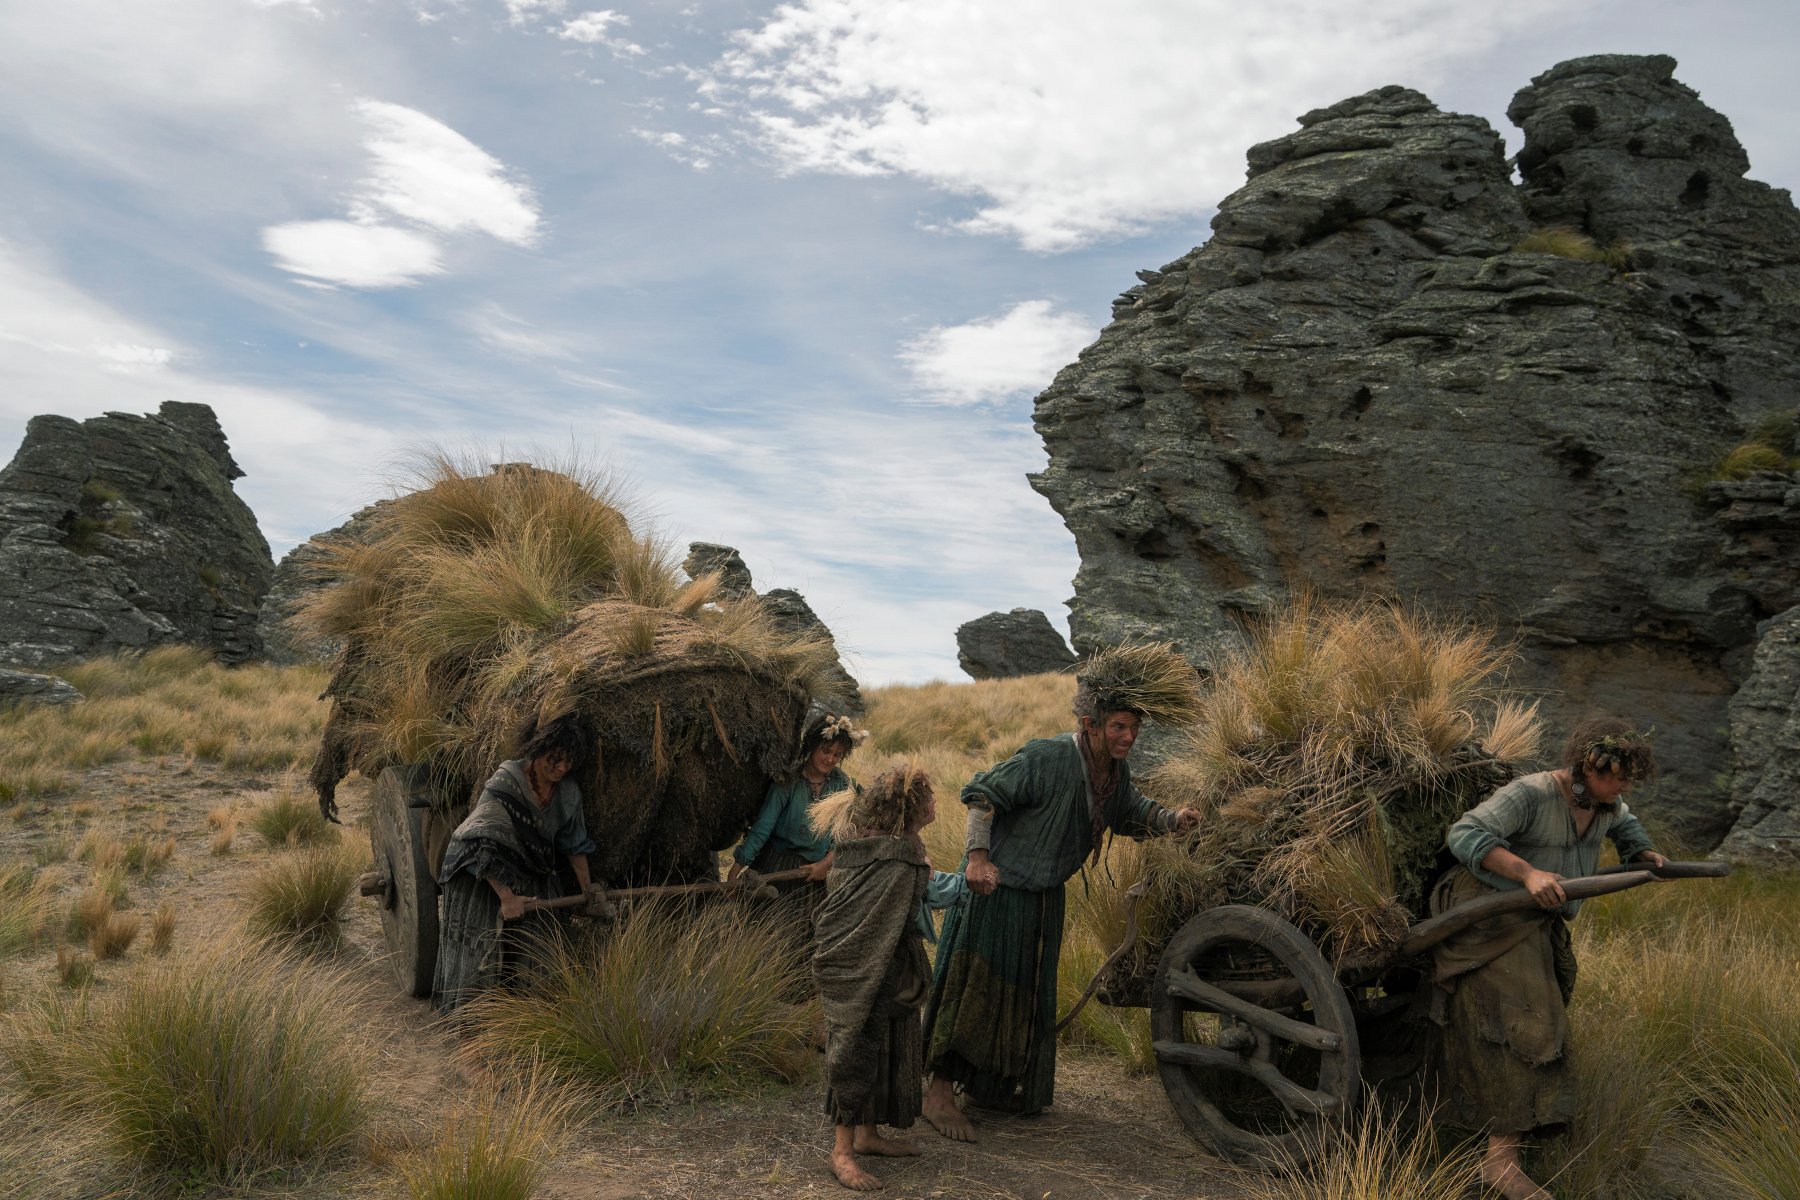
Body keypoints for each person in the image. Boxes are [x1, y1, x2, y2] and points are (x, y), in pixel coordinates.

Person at [919, 659, 1201, 1141]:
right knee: (976, 991)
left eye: (1134, 728)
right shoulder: (1046, 757)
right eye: (1118, 726)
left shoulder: (1114, 773)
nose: (1128, 737)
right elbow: (982, 795)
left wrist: (1173, 820)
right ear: (1089, 725)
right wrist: (977, 858)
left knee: (1024, 998)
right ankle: (937, 1097)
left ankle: (990, 1087)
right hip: (997, 895)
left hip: (1044, 902)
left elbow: (1131, 811)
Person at [1432, 717, 1668, 1200]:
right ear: (1588, 765)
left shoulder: (1604, 803)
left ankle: (1501, 1137)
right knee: (1529, 1024)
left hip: (1535, 919)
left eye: (1628, 778)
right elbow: (1465, 835)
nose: (1623, 787)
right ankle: (1499, 1163)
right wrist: (1527, 874)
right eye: (1617, 776)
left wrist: (1640, 849)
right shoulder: (1533, 793)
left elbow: (1625, 821)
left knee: (1546, 1011)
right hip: (1484, 913)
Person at [811, 764, 964, 1191]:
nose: (935, 804)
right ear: (908, 808)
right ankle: (841, 1152)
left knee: (887, 1047)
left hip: (891, 964)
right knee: (857, 1047)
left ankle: (867, 1135)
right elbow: (932, 891)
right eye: (927, 799)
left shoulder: (886, 845)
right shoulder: (894, 856)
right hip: (863, 967)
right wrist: (971, 882)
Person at [431, 711, 600, 1013]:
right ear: (537, 751)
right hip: (483, 872)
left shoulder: (569, 793)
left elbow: (574, 844)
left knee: (546, 956)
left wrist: (588, 891)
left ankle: (529, 1016)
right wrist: (506, 897)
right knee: (482, 956)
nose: (561, 768)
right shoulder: (506, 782)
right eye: (555, 759)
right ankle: (472, 1024)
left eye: (569, 761)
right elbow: (480, 843)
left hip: (533, 870)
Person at [727, 710, 866, 972]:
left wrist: (827, 863)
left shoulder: (841, 785)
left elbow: (844, 835)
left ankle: (797, 999)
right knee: (768, 932)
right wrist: (739, 865)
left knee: (807, 938)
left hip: (816, 874)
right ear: (812, 746)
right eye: (825, 750)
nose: (830, 759)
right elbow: (763, 827)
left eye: (837, 755)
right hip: (778, 865)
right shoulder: (788, 781)